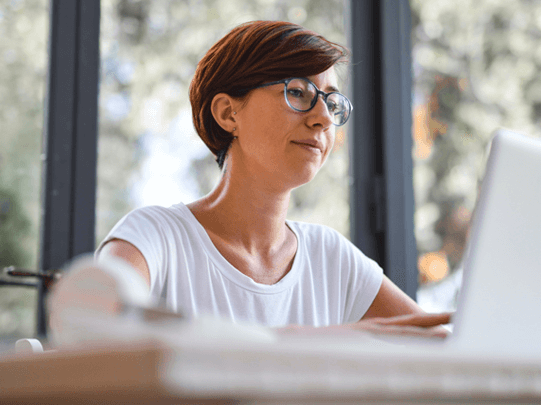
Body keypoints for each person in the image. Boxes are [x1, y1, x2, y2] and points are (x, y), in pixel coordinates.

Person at [96, 20, 449, 338]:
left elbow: (442, 346)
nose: (323, 118)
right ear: (227, 112)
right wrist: (314, 343)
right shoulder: (153, 237)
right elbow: (96, 337)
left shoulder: (330, 257)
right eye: (298, 92)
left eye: (332, 102)